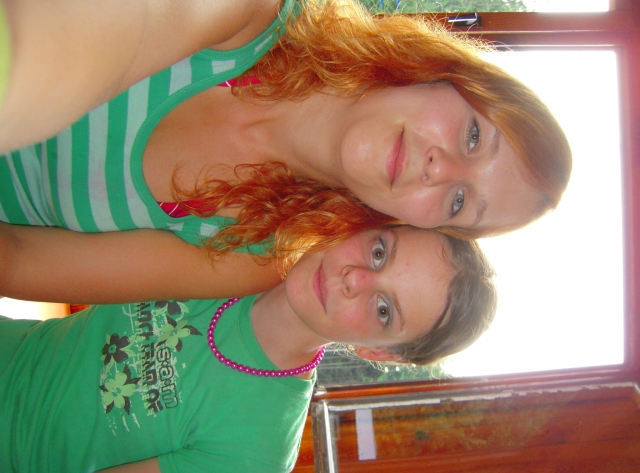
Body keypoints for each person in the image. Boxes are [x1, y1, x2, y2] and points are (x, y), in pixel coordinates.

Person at [0, 0, 571, 304]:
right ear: (443, 74)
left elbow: (20, 260)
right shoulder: (257, 14)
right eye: (473, 137)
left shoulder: (253, 256)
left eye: (459, 202)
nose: (441, 169)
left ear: (413, 223)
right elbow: (49, 38)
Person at [0, 225, 497, 473]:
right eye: (379, 252)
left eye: (384, 309)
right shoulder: (237, 239)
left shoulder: (257, 452)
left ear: (376, 352)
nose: (355, 279)